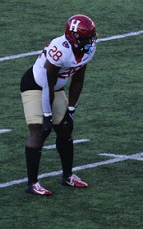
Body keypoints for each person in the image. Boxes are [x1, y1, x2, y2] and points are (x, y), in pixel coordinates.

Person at [20, 14, 97, 195]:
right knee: (39, 131)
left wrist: (71, 109)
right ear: (74, 38)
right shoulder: (59, 49)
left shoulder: (87, 49)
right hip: (35, 85)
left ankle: (68, 176)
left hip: (55, 88)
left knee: (64, 128)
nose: (91, 41)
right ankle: (32, 183)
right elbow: (47, 84)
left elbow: (78, 79)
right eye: (87, 37)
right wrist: (47, 115)